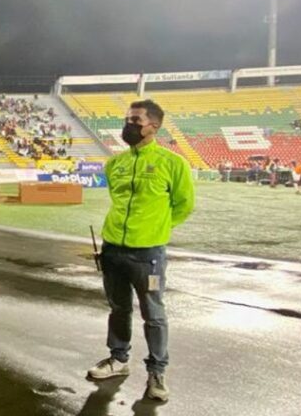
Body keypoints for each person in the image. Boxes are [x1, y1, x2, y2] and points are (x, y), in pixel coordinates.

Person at [87, 100, 194, 403]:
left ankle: (157, 371)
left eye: (135, 120)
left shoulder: (173, 163)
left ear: (154, 126)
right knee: (118, 308)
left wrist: (156, 229)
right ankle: (118, 359)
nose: (129, 124)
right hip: (112, 250)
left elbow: (184, 204)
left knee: (154, 314)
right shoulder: (115, 163)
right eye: (127, 119)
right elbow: (116, 199)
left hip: (148, 256)